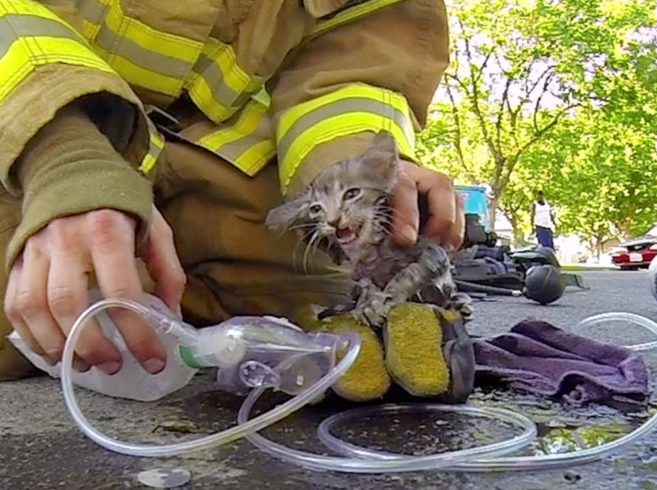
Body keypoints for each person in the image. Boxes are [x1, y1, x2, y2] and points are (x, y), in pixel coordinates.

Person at [0, 0, 464, 384]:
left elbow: (355, 65)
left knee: (325, 298)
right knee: (42, 309)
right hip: (22, 149)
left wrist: (361, 167)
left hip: (227, 186)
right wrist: (65, 163)